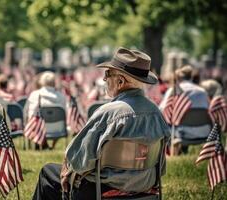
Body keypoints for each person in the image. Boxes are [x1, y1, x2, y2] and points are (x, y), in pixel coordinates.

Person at [31, 47, 170, 200]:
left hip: (100, 191)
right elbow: (161, 168)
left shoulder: (108, 113)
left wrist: (69, 168)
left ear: (120, 81)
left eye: (107, 74)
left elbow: (79, 161)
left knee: (48, 172)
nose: (104, 79)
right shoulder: (157, 114)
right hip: (145, 189)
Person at [159, 65, 210, 154]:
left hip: (181, 133)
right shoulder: (203, 92)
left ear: (178, 78)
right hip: (204, 132)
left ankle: (171, 155)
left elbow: (162, 111)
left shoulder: (173, 90)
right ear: (191, 77)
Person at [25, 71, 67, 149]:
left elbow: (31, 114)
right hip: (59, 128)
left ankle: (42, 144)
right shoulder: (61, 96)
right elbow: (65, 114)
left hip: (40, 128)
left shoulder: (35, 94)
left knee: (34, 119)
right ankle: (51, 146)